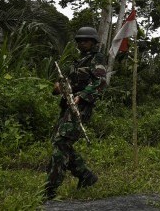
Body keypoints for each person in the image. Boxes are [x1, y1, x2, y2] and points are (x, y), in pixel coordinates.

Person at [44, 27, 107, 200]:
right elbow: (66, 83)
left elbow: (100, 82)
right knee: (61, 143)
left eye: (85, 40)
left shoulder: (97, 58)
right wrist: (58, 87)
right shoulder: (78, 61)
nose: (81, 43)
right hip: (67, 106)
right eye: (79, 40)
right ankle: (86, 176)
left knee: (61, 143)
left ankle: (49, 190)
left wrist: (82, 96)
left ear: (93, 42)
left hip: (81, 107)